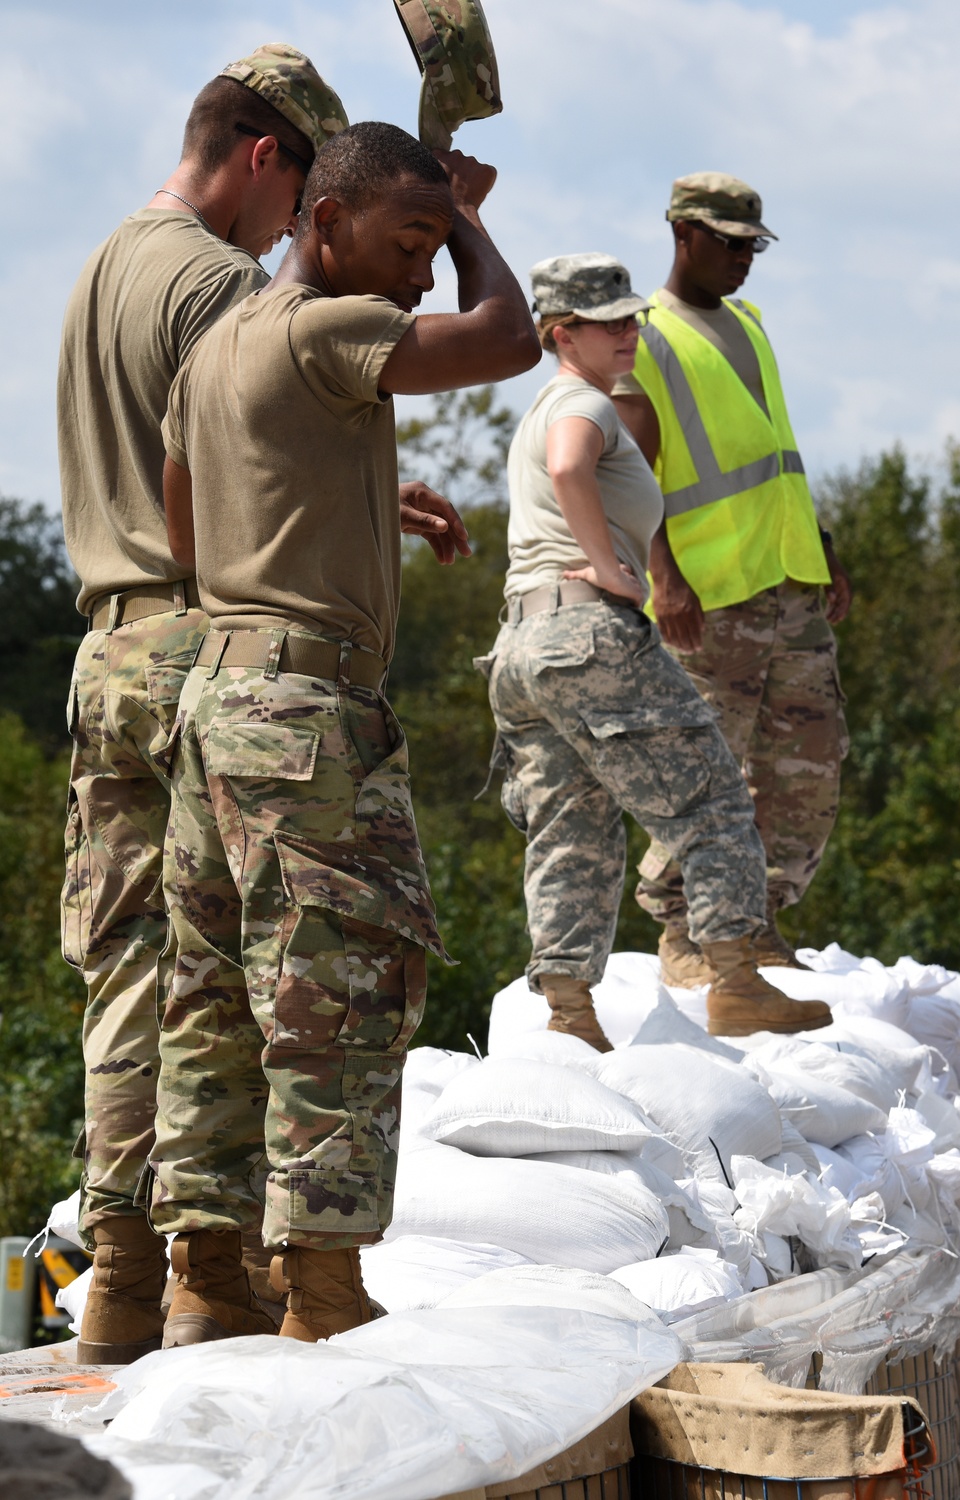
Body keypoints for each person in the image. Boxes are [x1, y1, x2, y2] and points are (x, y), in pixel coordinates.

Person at [56, 44, 457, 1365]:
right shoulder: (230, 289)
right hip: (214, 650)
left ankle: (122, 1276)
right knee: (258, 985)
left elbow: (212, 457)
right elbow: (241, 448)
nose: (304, 237)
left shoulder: (100, 271)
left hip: (105, 652)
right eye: (300, 208)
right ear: (269, 160)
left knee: (142, 981)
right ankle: (221, 1270)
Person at [152, 120, 541, 1346]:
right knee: (342, 987)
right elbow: (511, 340)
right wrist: (474, 216)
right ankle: (321, 1293)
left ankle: (197, 1279)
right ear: (322, 224)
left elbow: (183, 527)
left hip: (215, 695)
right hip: (306, 714)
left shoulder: (215, 350)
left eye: (437, 244)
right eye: (407, 241)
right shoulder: (328, 325)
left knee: (214, 998)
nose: (424, 271)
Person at [482, 252, 832, 1055]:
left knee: (572, 826)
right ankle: (736, 981)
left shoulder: (541, 406)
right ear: (562, 333)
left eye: (633, 318)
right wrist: (610, 567)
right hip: (588, 635)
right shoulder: (584, 406)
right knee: (713, 799)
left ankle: (570, 1013)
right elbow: (574, 464)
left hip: (522, 645)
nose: (630, 333)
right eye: (609, 324)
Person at [612, 173, 853, 988]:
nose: (746, 259)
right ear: (683, 233)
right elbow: (633, 470)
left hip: (787, 578)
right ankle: (684, 930)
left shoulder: (749, 322)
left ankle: (753, 924)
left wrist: (822, 547)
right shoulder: (644, 335)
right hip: (707, 597)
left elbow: (775, 452)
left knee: (807, 760)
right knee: (705, 766)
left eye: (753, 245)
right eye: (730, 242)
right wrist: (663, 575)